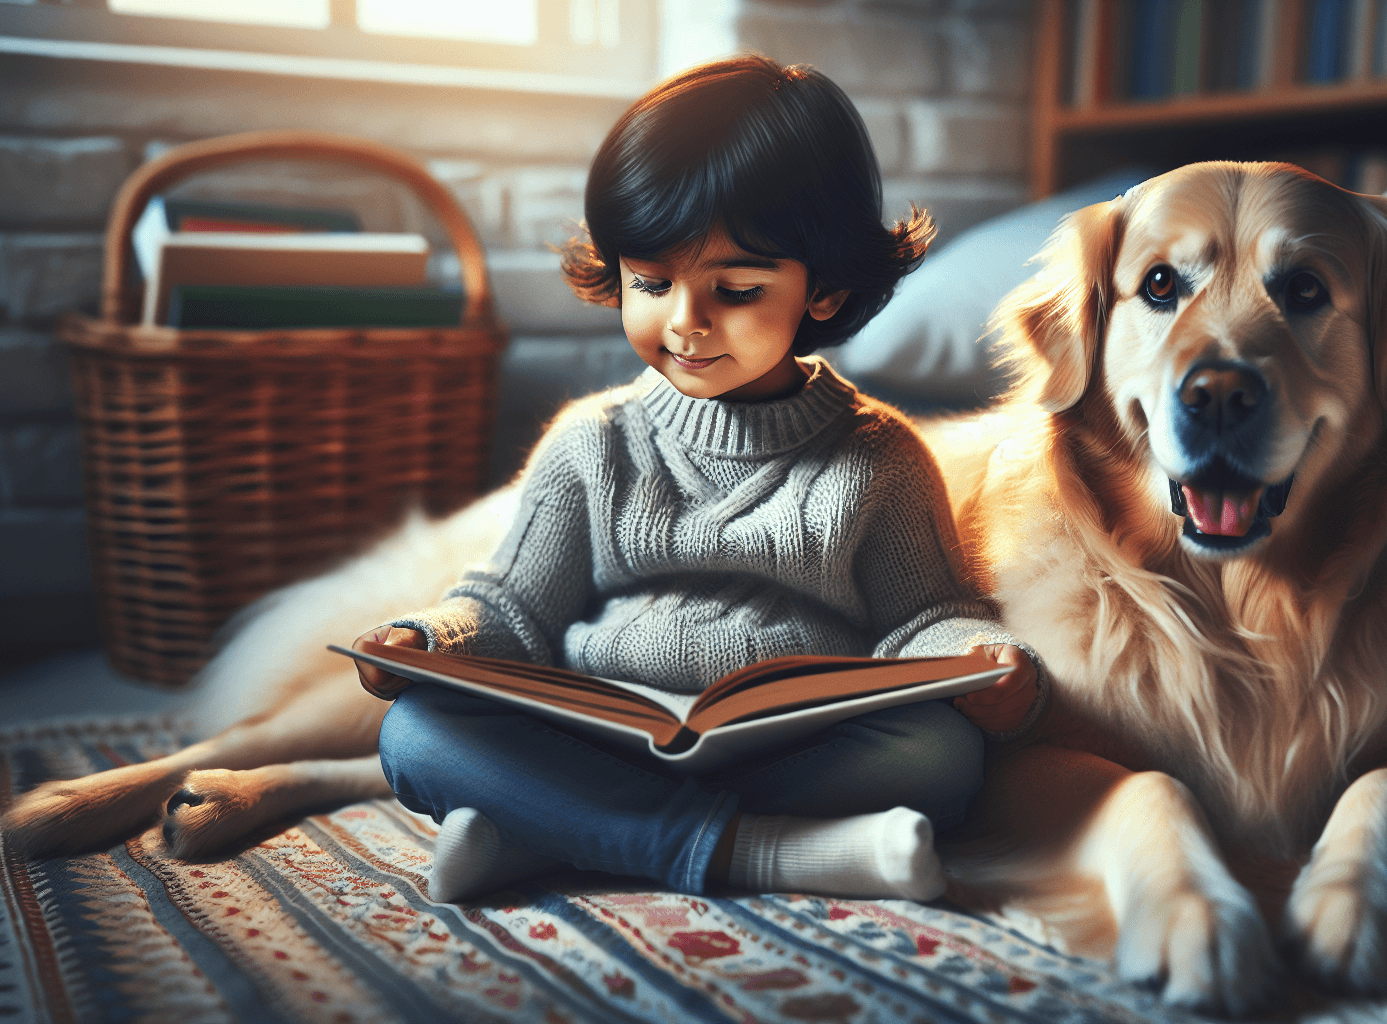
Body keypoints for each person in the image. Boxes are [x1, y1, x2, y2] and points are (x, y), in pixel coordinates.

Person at [354, 55, 1046, 905]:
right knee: (415, 734)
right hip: (601, 730)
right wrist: (429, 641)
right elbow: (511, 609)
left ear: (824, 291)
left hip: (788, 746)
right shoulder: (591, 441)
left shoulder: (879, 456)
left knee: (939, 756)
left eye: (736, 288)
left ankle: (550, 833)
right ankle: (758, 852)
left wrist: (983, 665)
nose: (685, 322)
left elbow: (924, 620)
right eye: (651, 282)